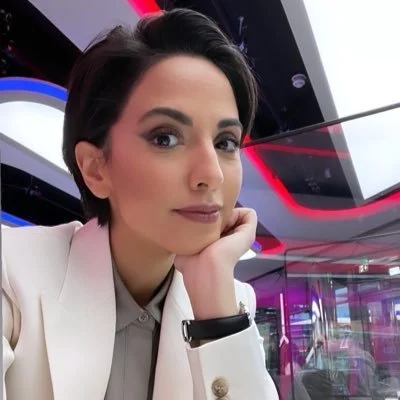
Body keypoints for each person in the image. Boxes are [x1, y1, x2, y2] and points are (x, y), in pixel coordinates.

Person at [2, 8, 279, 400]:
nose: (212, 173)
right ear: (96, 168)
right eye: (165, 137)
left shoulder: (229, 300)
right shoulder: (12, 273)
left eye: (226, 142)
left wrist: (217, 318)